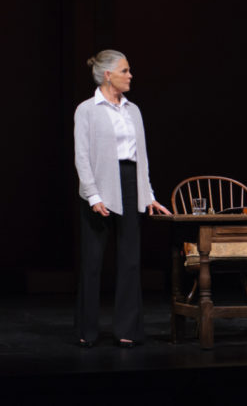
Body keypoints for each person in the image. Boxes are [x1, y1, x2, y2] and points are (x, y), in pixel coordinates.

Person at [74, 49, 170, 348]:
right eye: (125, 71)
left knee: (129, 260)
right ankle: (86, 330)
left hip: (129, 183)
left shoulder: (133, 110)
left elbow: (141, 157)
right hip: (100, 186)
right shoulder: (87, 109)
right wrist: (92, 194)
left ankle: (127, 329)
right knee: (92, 261)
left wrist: (148, 194)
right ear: (108, 75)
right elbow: (82, 156)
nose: (130, 76)